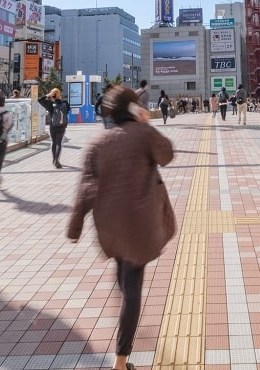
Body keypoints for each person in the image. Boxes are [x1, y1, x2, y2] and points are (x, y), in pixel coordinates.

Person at [68, 87, 175, 370]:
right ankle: (121, 360)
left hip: (109, 227)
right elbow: (167, 156)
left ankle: (123, 348)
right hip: (139, 226)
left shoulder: (98, 142)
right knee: (131, 287)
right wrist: (145, 124)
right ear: (132, 109)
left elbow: (85, 189)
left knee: (124, 275)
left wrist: (75, 227)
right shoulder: (143, 134)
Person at [38, 88, 69, 169]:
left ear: (52, 94)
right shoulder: (65, 103)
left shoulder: (50, 104)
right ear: (59, 94)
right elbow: (68, 110)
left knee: (54, 142)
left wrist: (48, 95)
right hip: (62, 126)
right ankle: (57, 160)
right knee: (59, 143)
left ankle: (53, 159)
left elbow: (40, 100)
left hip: (53, 126)